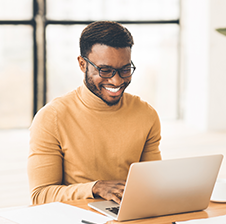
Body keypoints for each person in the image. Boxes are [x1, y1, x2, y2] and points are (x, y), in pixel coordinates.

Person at [27, 21, 162, 205]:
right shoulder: (51, 118)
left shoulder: (146, 114)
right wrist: (95, 188)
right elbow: (40, 195)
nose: (116, 81)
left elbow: (154, 183)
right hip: (76, 217)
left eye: (125, 69)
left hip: (130, 215)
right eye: (105, 70)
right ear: (83, 64)